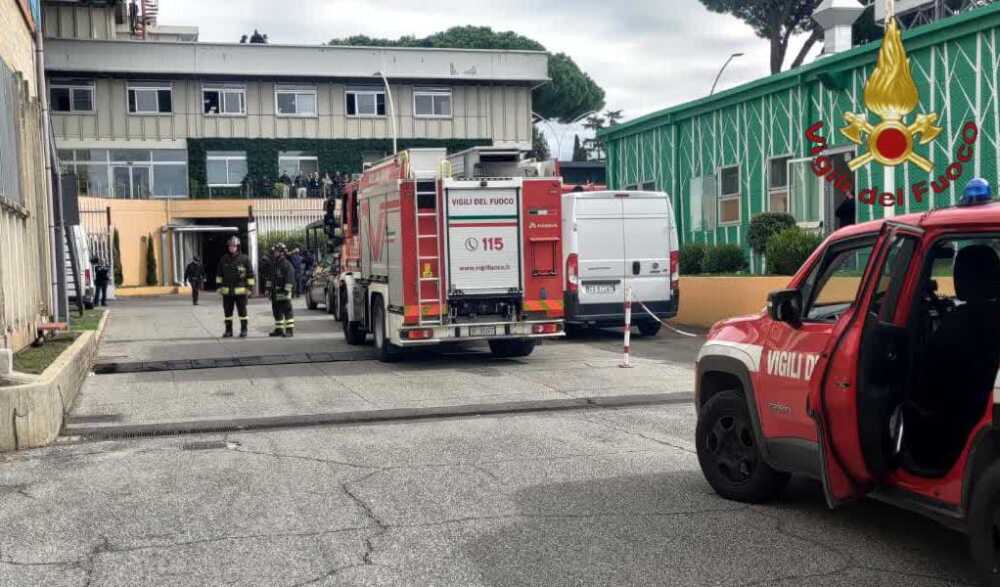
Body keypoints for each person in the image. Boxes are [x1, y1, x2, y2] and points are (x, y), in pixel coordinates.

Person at [216, 236, 255, 338]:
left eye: (233, 246)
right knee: (228, 314)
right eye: (230, 246)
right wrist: (219, 286)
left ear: (238, 246)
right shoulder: (224, 259)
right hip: (227, 292)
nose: (231, 248)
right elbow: (219, 275)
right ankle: (228, 331)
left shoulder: (245, 259)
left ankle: (244, 330)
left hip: (241, 292)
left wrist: (250, 288)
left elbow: (250, 275)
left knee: (242, 313)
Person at [265, 243, 296, 338]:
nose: (275, 253)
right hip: (274, 293)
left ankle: (289, 331)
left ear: (282, 253)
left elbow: (290, 279)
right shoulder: (274, 264)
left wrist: (287, 291)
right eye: (274, 251)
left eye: (277, 251)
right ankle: (279, 330)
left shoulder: (287, 264)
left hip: (284, 293)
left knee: (287, 312)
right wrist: (268, 289)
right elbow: (270, 278)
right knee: (276, 312)